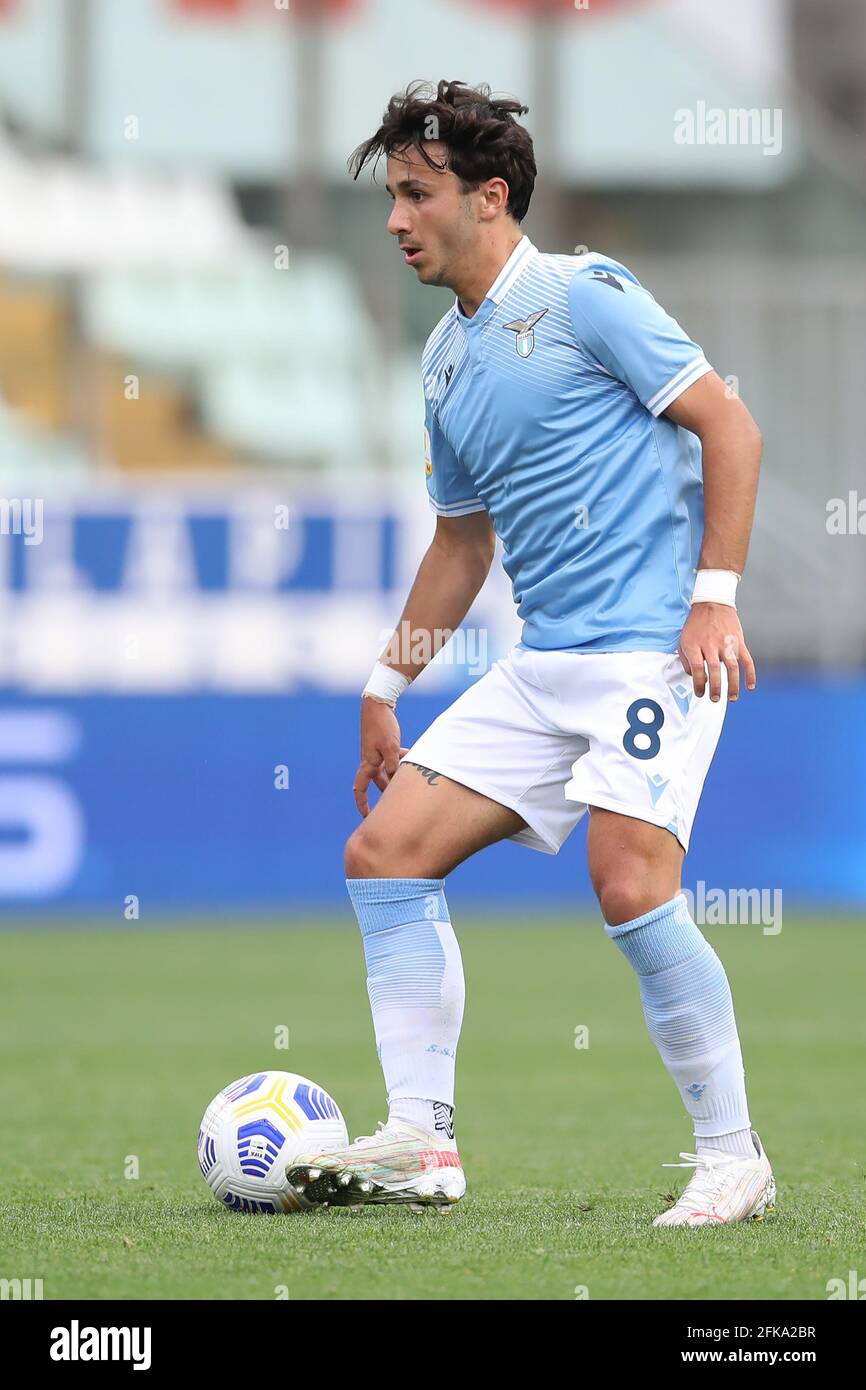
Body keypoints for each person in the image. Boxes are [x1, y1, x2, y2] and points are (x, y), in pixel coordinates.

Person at [288, 79, 774, 1226]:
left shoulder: (583, 293)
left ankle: (731, 1156)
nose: (397, 219)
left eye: (417, 193)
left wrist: (714, 600)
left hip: (654, 653)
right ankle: (420, 1140)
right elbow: (461, 546)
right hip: (546, 665)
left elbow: (729, 425)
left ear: (488, 195)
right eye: (392, 198)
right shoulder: (444, 366)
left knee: (626, 881)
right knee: (385, 852)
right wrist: (384, 680)